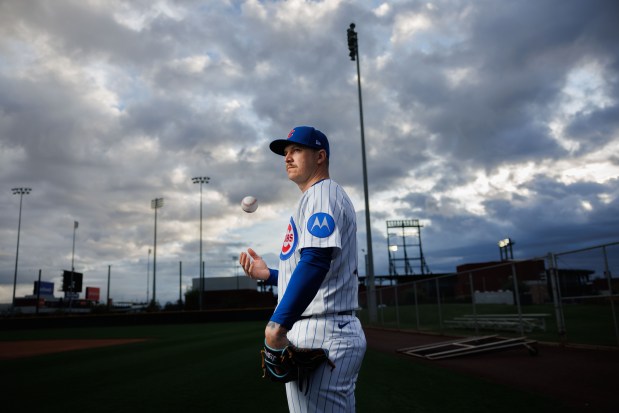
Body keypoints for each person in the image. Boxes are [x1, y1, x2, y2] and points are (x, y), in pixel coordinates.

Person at [240, 126, 366, 412]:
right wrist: (270, 275)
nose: (287, 158)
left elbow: (317, 260)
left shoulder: (322, 193)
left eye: (296, 150)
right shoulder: (315, 198)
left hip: (323, 328)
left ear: (320, 156)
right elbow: (316, 267)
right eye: (285, 153)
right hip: (326, 326)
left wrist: (277, 324)